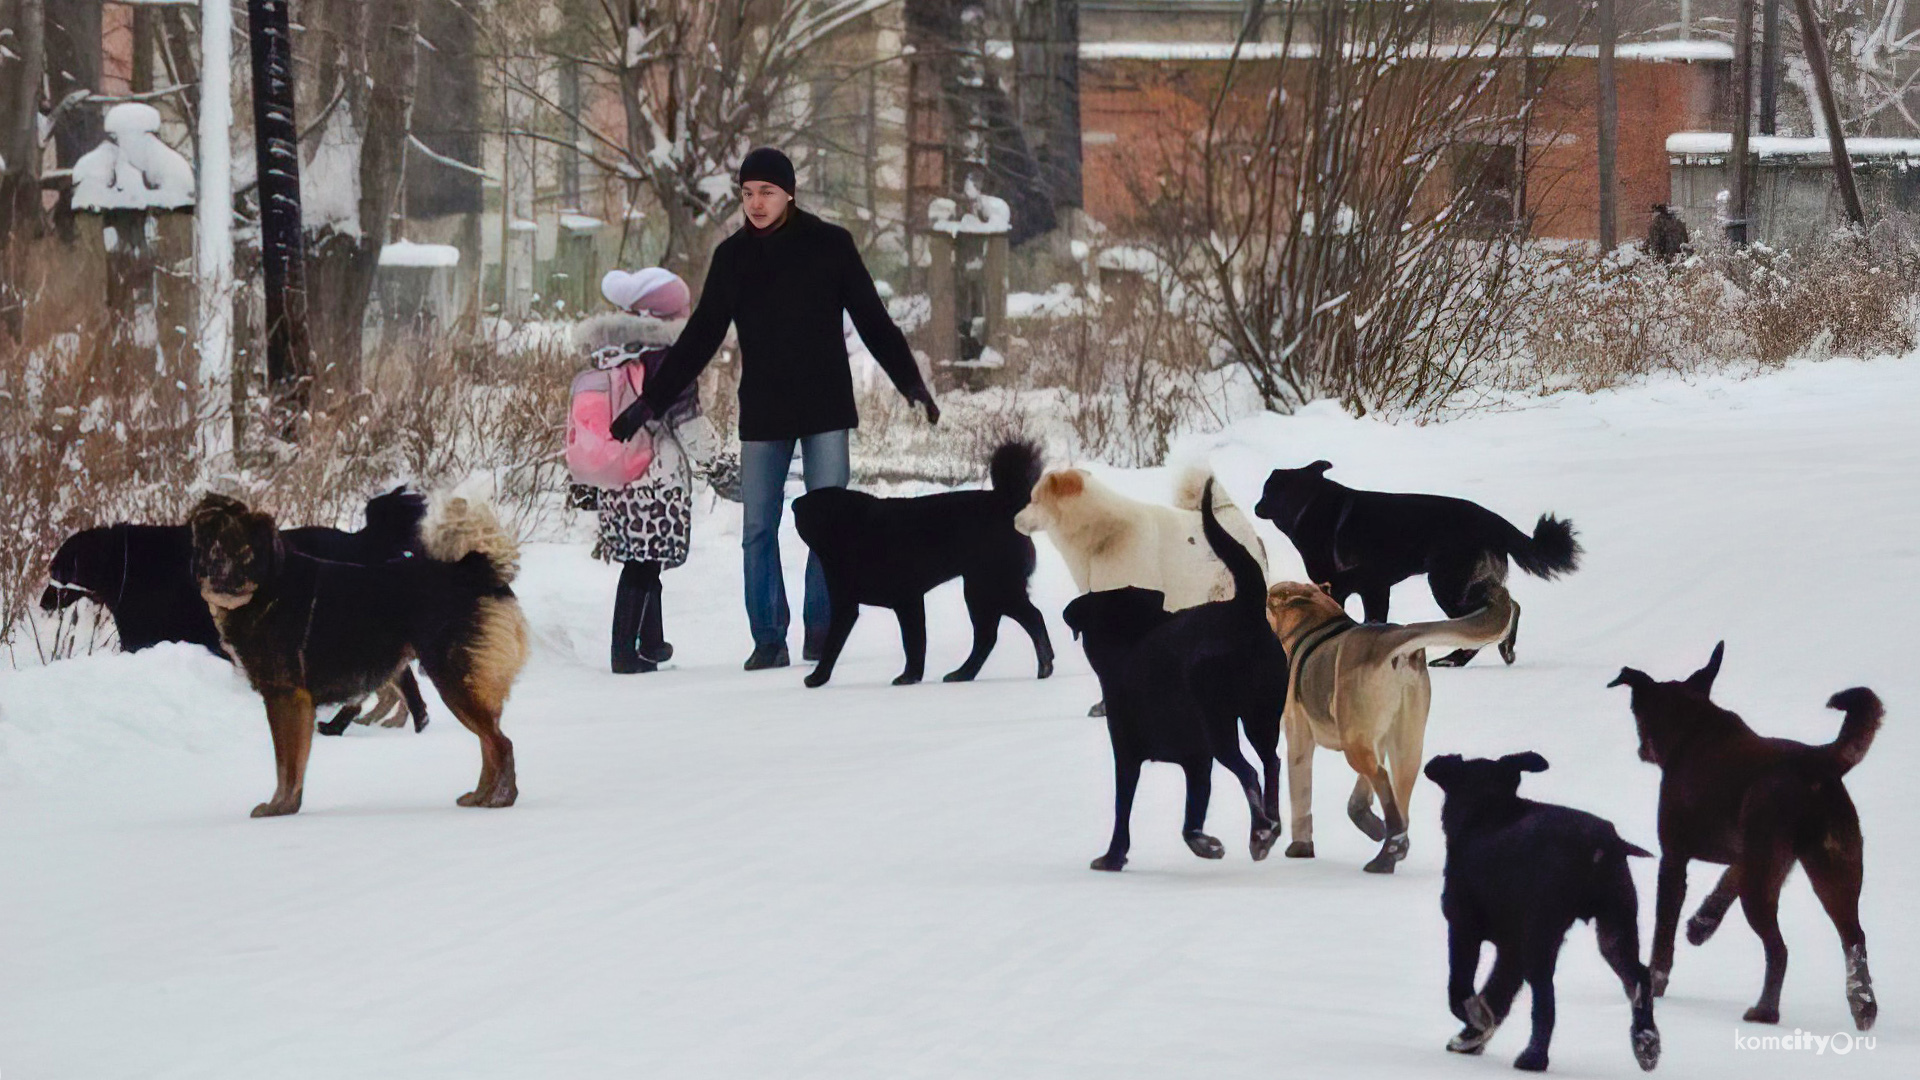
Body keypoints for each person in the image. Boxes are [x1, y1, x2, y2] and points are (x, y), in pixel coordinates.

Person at [610, 146, 940, 671]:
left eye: (766, 192)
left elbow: (874, 320)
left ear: (789, 192)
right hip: (763, 411)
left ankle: (821, 630)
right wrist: (649, 402)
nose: (756, 203)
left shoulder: (830, 246)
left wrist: (911, 382)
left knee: (830, 526)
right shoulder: (732, 258)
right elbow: (699, 339)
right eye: (747, 193)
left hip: (826, 407)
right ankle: (768, 639)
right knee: (758, 528)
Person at [573, 267, 733, 674]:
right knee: (642, 564)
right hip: (654, 472)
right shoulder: (668, 355)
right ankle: (625, 652)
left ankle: (653, 642)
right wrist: (718, 464)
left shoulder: (612, 349)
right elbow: (686, 417)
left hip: (617, 469)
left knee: (644, 558)